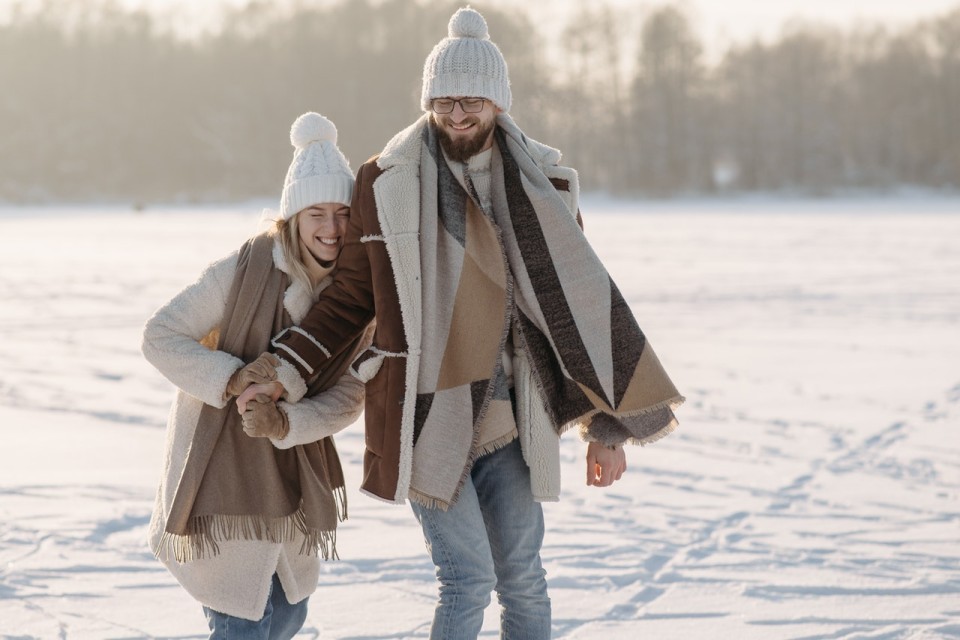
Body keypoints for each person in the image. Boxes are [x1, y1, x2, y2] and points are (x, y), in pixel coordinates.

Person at [242, 8, 685, 639]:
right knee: (468, 579)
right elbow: (351, 296)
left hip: (513, 415)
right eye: (443, 100)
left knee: (524, 577)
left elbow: (577, 312)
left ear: (499, 102)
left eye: (471, 100)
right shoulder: (386, 180)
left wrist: (607, 428)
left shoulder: (545, 186)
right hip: (426, 418)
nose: (457, 114)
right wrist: (283, 370)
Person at [141, 112, 372, 639]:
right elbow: (160, 335)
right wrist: (234, 380)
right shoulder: (245, 269)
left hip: (290, 471)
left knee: (288, 612)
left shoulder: (358, 297)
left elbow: (350, 394)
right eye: (317, 212)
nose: (332, 229)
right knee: (241, 618)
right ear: (293, 215)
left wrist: (286, 423)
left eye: (342, 213)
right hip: (221, 474)